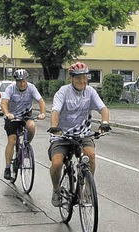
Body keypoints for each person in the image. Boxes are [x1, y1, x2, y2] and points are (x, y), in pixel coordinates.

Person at [47, 62, 111, 207]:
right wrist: (54, 127)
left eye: (84, 78)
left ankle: (87, 187)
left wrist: (105, 122)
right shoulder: (63, 92)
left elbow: (103, 108)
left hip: (82, 134)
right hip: (62, 135)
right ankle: (56, 189)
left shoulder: (90, 92)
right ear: (72, 79)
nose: (82, 81)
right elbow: (55, 110)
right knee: (57, 163)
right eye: (78, 78)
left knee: (91, 155)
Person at [2, 69, 47, 180]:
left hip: (26, 114)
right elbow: (4, 102)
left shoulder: (31, 87)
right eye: (19, 81)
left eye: (24, 81)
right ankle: (7, 168)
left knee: (31, 126)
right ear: (16, 81)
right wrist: (7, 113)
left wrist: (43, 113)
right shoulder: (10, 89)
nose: (22, 83)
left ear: (27, 80)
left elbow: (41, 101)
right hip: (12, 116)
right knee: (12, 140)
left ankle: (26, 145)